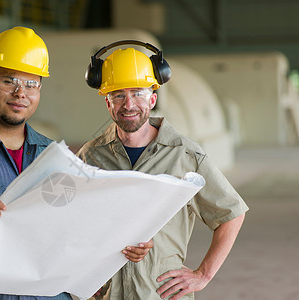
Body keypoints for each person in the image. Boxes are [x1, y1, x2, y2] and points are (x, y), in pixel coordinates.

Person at [0, 27, 151, 300]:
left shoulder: (51, 154)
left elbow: (75, 225)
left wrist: (123, 243)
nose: (20, 93)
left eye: (31, 84)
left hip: (48, 294)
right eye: (8, 81)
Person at [79, 41, 249, 300]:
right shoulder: (91, 155)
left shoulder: (185, 154)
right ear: (107, 102)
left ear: (153, 98)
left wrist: (203, 274)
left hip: (160, 294)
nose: (129, 104)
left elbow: (231, 214)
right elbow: (76, 224)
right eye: (118, 95)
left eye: (138, 93)